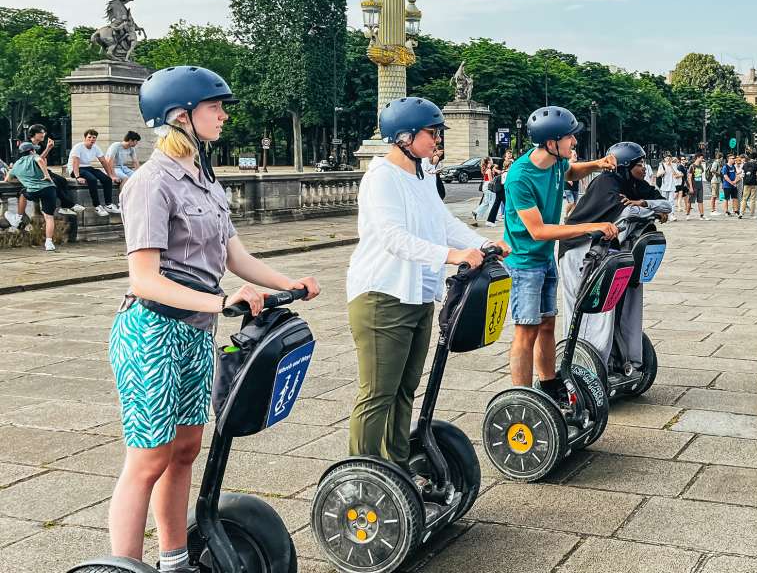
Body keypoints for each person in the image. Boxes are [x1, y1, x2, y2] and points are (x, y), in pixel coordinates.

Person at [107, 65, 320, 571]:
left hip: (195, 334)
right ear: (180, 116)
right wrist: (220, 303)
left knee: (185, 450)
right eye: (214, 107)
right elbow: (145, 279)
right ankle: (121, 565)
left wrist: (286, 283)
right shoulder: (150, 183)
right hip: (151, 332)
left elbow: (234, 257)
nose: (223, 115)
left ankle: (175, 560)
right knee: (148, 459)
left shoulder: (205, 180)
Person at [347, 96, 508, 469]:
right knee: (377, 392)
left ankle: (396, 466)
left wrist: (483, 244)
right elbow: (393, 237)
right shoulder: (381, 178)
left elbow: (445, 225)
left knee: (405, 389)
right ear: (404, 136)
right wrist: (453, 256)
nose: (438, 139)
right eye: (432, 133)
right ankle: (361, 476)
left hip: (416, 295)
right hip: (381, 296)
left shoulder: (423, 175)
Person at [502, 105, 618, 405]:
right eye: (569, 138)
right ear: (551, 142)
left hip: (544, 260)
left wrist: (598, 165)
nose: (574, 143)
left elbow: (571, 171)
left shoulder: (555, 163)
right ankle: (522, 399)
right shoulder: (520, 176)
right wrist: (590, 227)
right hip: (524, 263)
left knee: (547, 325)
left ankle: (549, 383)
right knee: (526, 331)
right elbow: (538, 231)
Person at [559, 141, 671, 366]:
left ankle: (616, 359)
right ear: (624, 166)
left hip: (609, 252)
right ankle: (585, 363)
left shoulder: (635, 185)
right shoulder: (605, 182)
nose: (644, 168)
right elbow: (625, 214)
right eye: (639, 164)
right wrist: (649, 211)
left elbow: (666, 205)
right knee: (592, 309)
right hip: (581, 250)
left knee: (615, 307)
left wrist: (645, 204)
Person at [4, 142, 58, 250]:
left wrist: (21, 176)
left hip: (33, 190)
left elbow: (7, 180)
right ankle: (49, 243)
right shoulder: (34, 157)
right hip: (49, 189)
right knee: (49, 217)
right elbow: (40, 160)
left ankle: (18, 218)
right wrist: (46, 175)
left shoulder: (16, 164)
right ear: (31, 151)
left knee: (23, 194)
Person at [24, 125, 85, 219]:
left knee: (62, 180)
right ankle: (70, 204)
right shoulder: (27, 145)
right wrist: (48, 149)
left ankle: (64, 207)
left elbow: (43, 160)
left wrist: (47, 150)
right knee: (54, 182)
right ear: (34, 133)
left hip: (43, 170)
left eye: (44, 132)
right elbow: (35, 160)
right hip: (33, 172)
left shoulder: (40, 145)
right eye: (41, 132)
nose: (43, 134)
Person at [69, 129, 119, 216]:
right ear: (85, 138)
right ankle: (97, 206)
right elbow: (75, 162)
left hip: (87, 167)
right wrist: (77, 177)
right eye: (89, 137)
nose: (91, 139)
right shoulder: (78, 147)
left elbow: (103, 162)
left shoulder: (96, 147)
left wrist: (111, 175)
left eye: (94, 138)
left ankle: (108, 205)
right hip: (75, 169)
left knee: (106, 179)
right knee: (92, 179)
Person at [687, 153, 706, 219]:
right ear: (697, 157)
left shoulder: (701, 166)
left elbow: (702, 174)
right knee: (690, 201)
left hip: (700, 186)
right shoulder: (692, 166)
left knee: (700, 201)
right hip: (694, 186)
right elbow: (689, 177)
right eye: (701, 158)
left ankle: (702, 215)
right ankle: (688, 214)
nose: (702, 159)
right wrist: (691, 187)